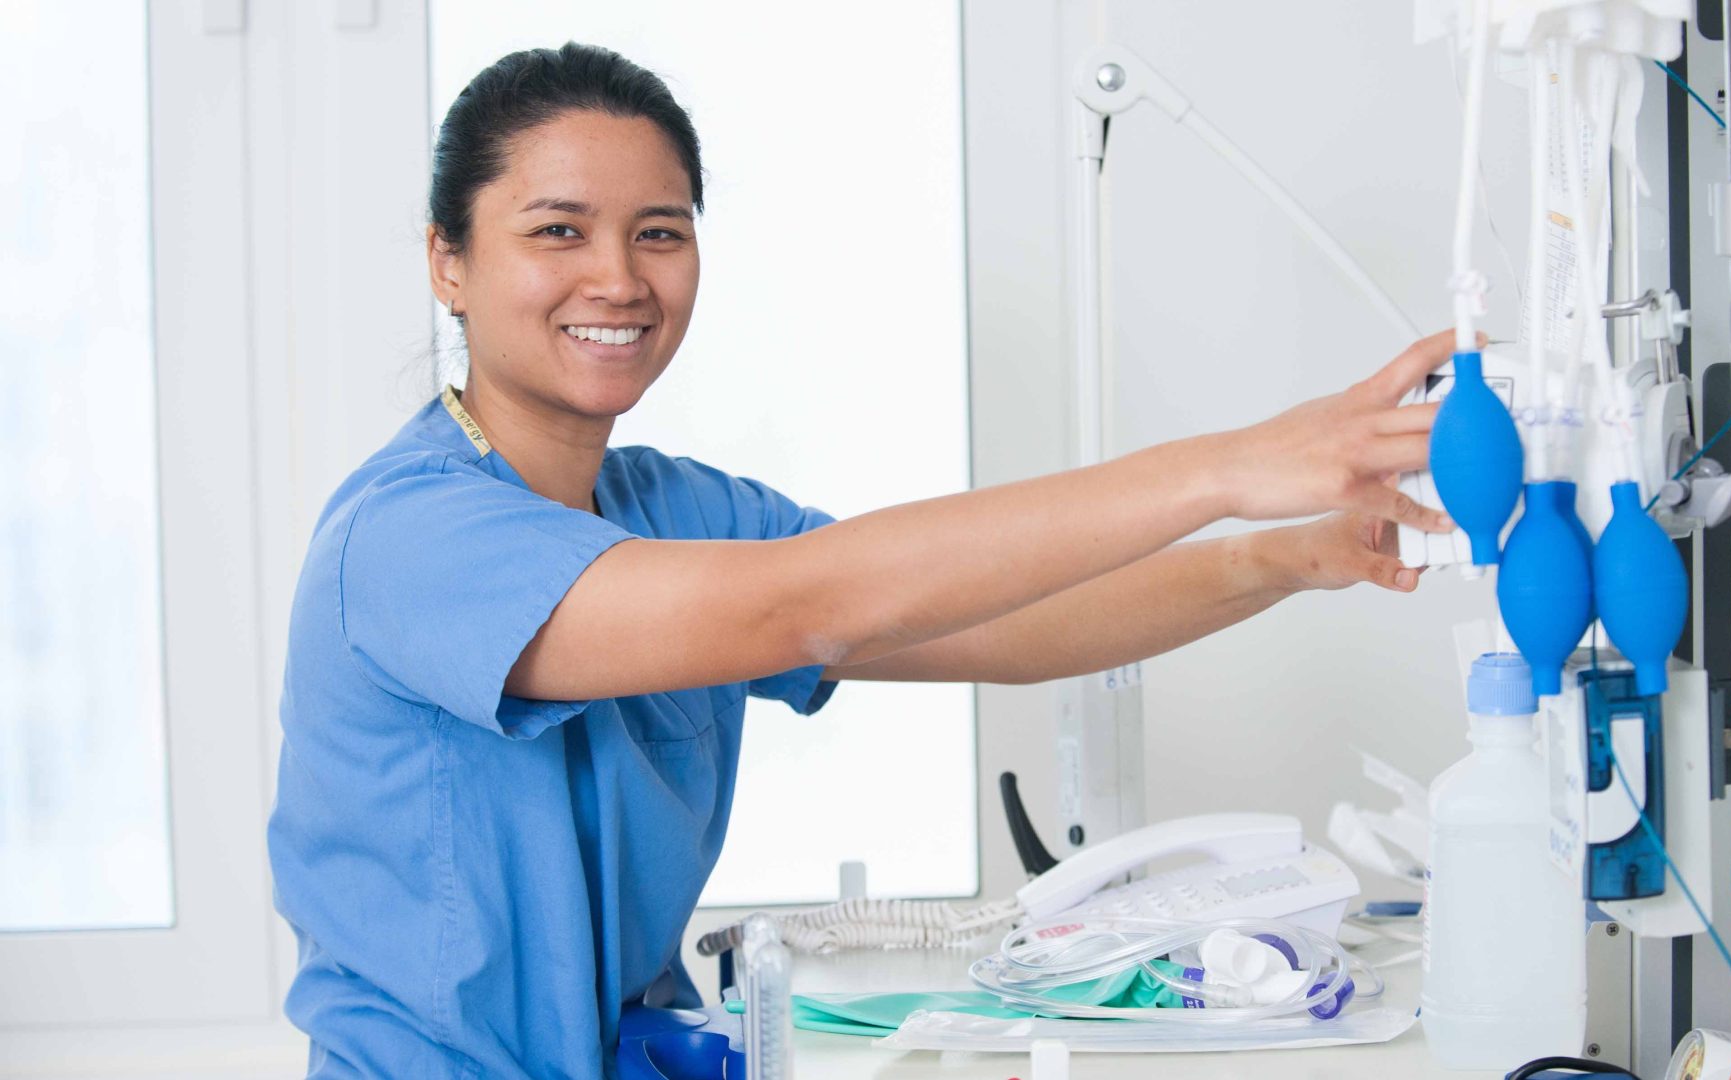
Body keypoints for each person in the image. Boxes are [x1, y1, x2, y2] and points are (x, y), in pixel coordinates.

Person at [267, 41, 1456, 1079]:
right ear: (448, 263)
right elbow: (816, 611)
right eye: (557, 231)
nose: (619, 279)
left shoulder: (671, 506)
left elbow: (1000, 620)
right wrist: (1223, 466)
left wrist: (1292, 557)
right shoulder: (407, 540)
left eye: (660, 233)